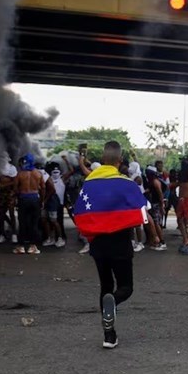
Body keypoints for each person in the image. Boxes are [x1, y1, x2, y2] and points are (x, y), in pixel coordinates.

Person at [74, 141, 148, 349]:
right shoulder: (126, 184)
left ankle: (109, 335)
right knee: (125, 287)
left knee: (105, 286)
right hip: (120, 243)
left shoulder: (89, 183)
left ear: (103, 159)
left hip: (98, 245)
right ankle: (113, 302)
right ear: (120, 160)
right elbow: (141, 213)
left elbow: (79, 212)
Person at [14, 154, 44, 255]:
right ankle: (32, 246)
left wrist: (19, 196)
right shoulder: (38, 174)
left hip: (23, 199)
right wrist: (42, 200)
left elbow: (15, 188)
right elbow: (43, 188)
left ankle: (21, 246)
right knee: (34, 223)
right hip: (35, 199)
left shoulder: (20, 174)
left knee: (22, 223)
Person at [43, 167, 67, 248]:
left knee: (55, 221)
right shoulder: (47, 178)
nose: (55, 174)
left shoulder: (62, 179)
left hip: (56, 203)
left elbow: (71, 171)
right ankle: (50, 238)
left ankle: (60, 238)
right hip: (48, 203)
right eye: (54, 172)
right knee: (46, 220)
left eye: (57, 172)